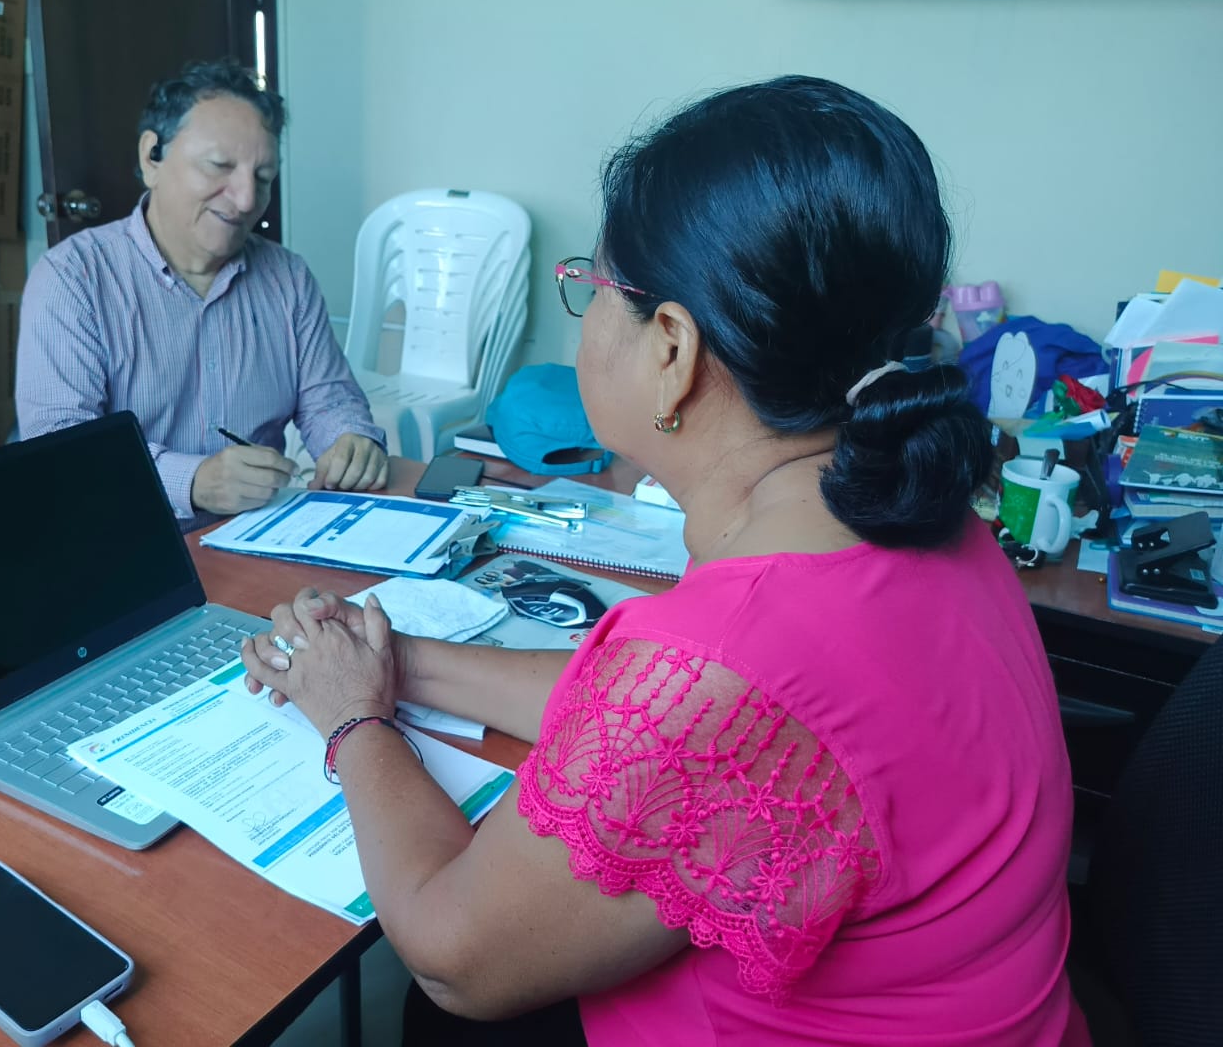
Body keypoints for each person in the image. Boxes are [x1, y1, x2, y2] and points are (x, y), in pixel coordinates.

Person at [237, 78, 1090, 1045]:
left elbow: (450, 955)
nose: (584, 318)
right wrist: (391, 663)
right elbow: (649, 718)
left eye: (592, 291)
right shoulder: (914, 518)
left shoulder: (737, 654)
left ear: (673, 349)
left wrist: (353, 720)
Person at [15, 60, 387, 531]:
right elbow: (60, 452)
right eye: (220, 167)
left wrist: (351, 441)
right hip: (124, 538)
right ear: (152, 157)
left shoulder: (288, 277)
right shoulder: (73, 278)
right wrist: (191, 482)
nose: (247, 200)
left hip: (258, 534)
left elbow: (329, 399)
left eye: (264, 177)